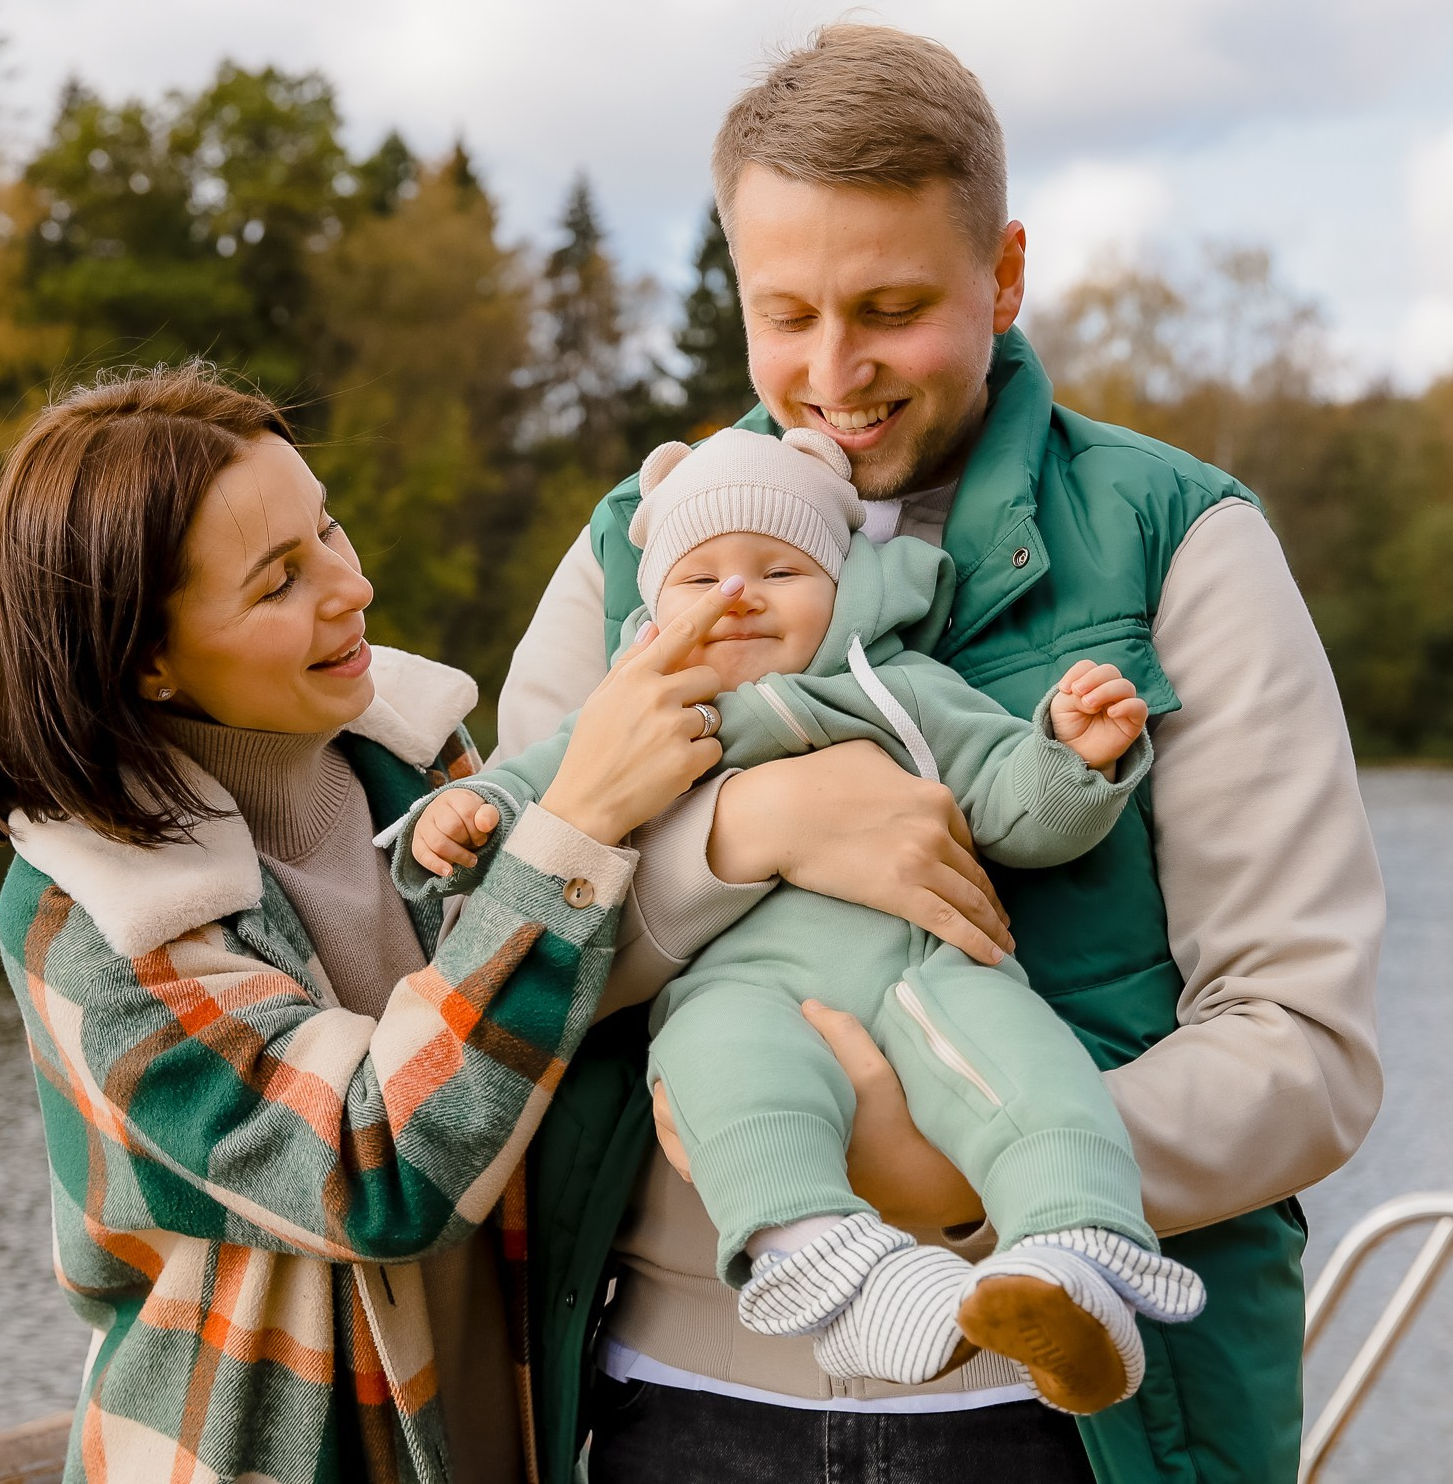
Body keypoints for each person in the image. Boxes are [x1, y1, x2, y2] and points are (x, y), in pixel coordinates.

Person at [496, 25, 1386, 1484]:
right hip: (682, 1396)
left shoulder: (1182, 541)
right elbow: (497, 961)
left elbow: (1307, 1046)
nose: (831, 374)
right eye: (784, 314)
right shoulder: (631, 555)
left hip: (1080, 1423)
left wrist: (958, 1181)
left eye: (892, 308)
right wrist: (750, 833)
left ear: (1007, 274)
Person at [0, 364, 752, 1484]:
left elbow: (560, 1009)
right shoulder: (93, 918)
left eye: (328, 528)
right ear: (149, 656)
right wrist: (579, 822)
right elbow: (372, 1171)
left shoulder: (425, 766)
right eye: (281, 581)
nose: (351, 586)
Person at [410, 424, 1203, 1417]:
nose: (738, 594)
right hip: (736, 981)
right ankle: (829, 1265)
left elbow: (1011, 805)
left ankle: (1076, 1256)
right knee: (728, 1080)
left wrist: (1072, 756)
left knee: (1027, 1072)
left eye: (779, 568)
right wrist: (458, 815)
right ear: (654, 609)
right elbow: (537, 811)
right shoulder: (634, 713)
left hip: (930, 962)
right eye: (700, 579)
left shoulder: (902, 690)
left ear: (841, 586)